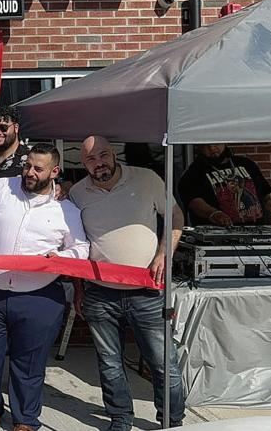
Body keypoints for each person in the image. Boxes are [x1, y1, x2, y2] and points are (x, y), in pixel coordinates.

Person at [0, 144, 90, 431]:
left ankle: (25, 418)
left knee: (30, 360)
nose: (29, 172)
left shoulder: (66, 209)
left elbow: (81, 248)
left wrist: (61, 257)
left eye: (38, 169)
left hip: (39, 296)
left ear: (55, 172)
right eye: (27, 165)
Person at [70, 135, 186, 431]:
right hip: (99, 293)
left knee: (164, 364)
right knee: (109, 364)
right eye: (91, 159)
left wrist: (164, 254)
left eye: (103, 155)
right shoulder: (76, 193)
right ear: (83, 164)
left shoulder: (146, 179)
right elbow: (75, 244)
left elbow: (175, 216)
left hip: (147, 291)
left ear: (114, 153)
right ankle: (120, 419)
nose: (99, 163)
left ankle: (173, 422)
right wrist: (79, 289)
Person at [178, 143, 271, 226]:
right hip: (219, 236)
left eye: (215, 142)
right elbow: (194, 202)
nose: (212, 148)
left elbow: (265, 196)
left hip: (257, 233)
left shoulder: (246, 164)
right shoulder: (193, 173)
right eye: (205, 145)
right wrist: (214, 213)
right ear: (198, 146)